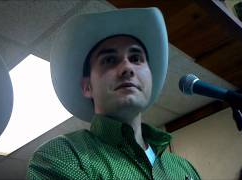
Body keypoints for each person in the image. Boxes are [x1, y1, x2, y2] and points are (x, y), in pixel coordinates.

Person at [27, 8, 201, 179]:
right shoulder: (64, 156)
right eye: (109, 60)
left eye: (136, 59)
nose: (127, 68)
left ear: (150, 79)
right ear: (87, 87)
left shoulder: (184, 169)